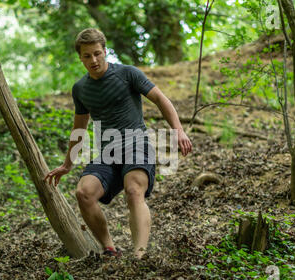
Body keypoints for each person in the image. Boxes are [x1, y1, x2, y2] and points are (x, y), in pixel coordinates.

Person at [44, 28, 192, 259]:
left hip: (137, 143)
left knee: (133, 190)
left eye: (97, 53)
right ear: (80, 58)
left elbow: (160, 99)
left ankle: (139, 256)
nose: (93, 60)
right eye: (87, 56)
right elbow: (79, 128)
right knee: (84, 192)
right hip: (108, 151)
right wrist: (67, 164)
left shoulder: (128, 73)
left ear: (105, 51)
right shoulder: (80, 89)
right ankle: (109, 248)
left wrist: (178, 131)